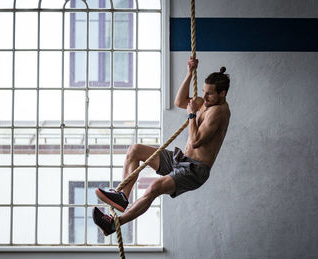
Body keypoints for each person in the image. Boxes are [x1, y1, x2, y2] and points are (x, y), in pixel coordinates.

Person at [92, 56, 231, 236]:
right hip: (180, 160)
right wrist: (189, 74)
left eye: (209, 93)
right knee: (135, 150)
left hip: (195, 170)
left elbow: (196, 141)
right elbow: (180, 102)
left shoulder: (219, 112)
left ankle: (114, 224)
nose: (204, 97)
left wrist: (191, 116)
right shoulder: (207, 103)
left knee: (154, 187)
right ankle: (122, 197)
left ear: (223, 93)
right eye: (203, 92)